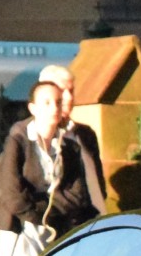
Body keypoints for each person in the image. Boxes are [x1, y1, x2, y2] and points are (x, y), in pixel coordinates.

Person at [0, 80, 95, 256]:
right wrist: (36, 213)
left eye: (58, 102)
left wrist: (50, 211)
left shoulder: (70, 146)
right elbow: (11, 190)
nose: (54, 108)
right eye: (47, 102)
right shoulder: (19, 140)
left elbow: (78, 195)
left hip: (57, 229)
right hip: (21, 229)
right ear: (32, 108)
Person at [38, 64, 108, 214]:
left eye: (71, 91)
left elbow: (97, 182)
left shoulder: (84, 133)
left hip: (92, 220)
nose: (69, 98)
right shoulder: (30, 134)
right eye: (62, 91)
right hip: (55, 224)